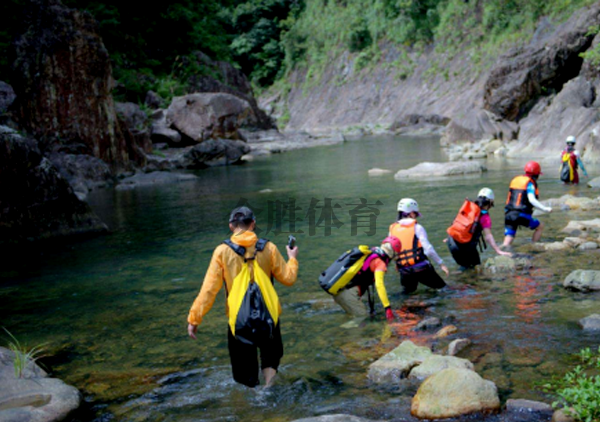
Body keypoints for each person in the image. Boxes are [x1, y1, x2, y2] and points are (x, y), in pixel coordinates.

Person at [187, 206, 298, 388]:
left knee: (244, 370)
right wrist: (292, 258)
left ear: (231, 226)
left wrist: (194, 318)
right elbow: (288, 279)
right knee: (270, 356)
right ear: (253, 224)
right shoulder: (268, 248)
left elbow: (209, 290)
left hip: (238, 319)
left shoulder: (222, 252)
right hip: (269, 316)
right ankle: (268, 387)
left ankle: (253, 399)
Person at [330, 236, 402, 321]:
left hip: (339, 290)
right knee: (361, 318)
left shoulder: (372, 251)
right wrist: (387, 307)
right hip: (347, 295)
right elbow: (379, 285)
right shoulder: (380, 262)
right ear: (392, 253)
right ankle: (343, 332)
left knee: (353, 316)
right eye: (396, 254)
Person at [389, 198, 449, 294]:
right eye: (416, 214)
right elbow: (428, 250)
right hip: (421, 269)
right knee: (444, 289)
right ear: (411, 213)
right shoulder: (417, 228)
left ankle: (402, 308)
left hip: (405, 271)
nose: (416, 216)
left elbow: (392, 250)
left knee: (407, 293)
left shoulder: (392, 229)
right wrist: (441, 264)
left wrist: (397, 265)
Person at [446, 188, 512, 269]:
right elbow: (488, 236)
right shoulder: (484, 216)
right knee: (476, 268)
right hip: (465, 247)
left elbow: (457, 222)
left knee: (464, 267)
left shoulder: (468, 207)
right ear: (490, 202)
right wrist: (498, 251)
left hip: (451, 241)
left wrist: (450, 237)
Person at [503, 161, 552, 247]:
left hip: (509, 214)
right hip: (521, 215)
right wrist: (545, 209)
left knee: (509, 238)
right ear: (537, 174)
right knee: (540, 226)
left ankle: (501, 251)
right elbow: (532, 200)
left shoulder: (515, 180)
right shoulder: (530, 184)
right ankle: (534, 246)